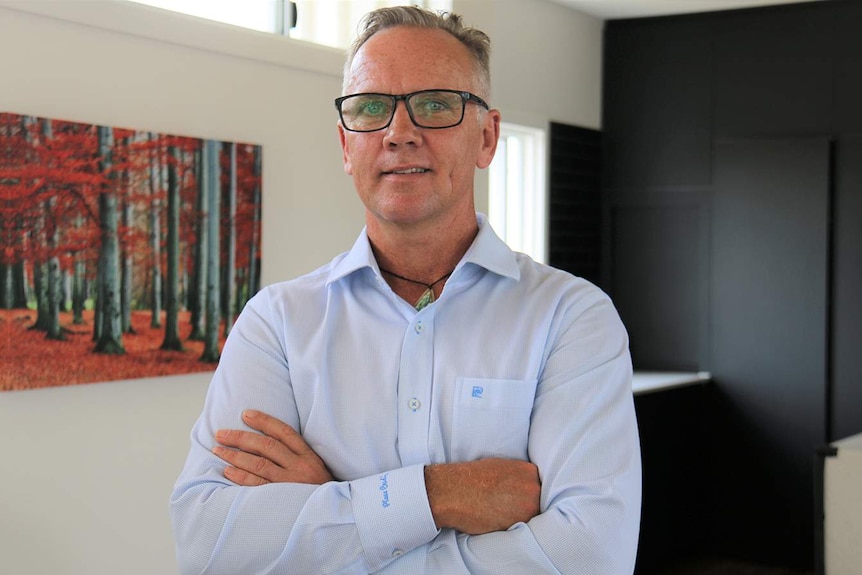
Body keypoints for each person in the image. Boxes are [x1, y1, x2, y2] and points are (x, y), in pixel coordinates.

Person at [170, 6, 641, 574]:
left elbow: (591, 557)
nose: (398, 133)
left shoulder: (570, 317)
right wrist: (441, 493)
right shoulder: (278, 323)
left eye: (436, 104)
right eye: (370, 108)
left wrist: (332, 504)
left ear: (487, 138)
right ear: (346, 147)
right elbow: (208, 545)